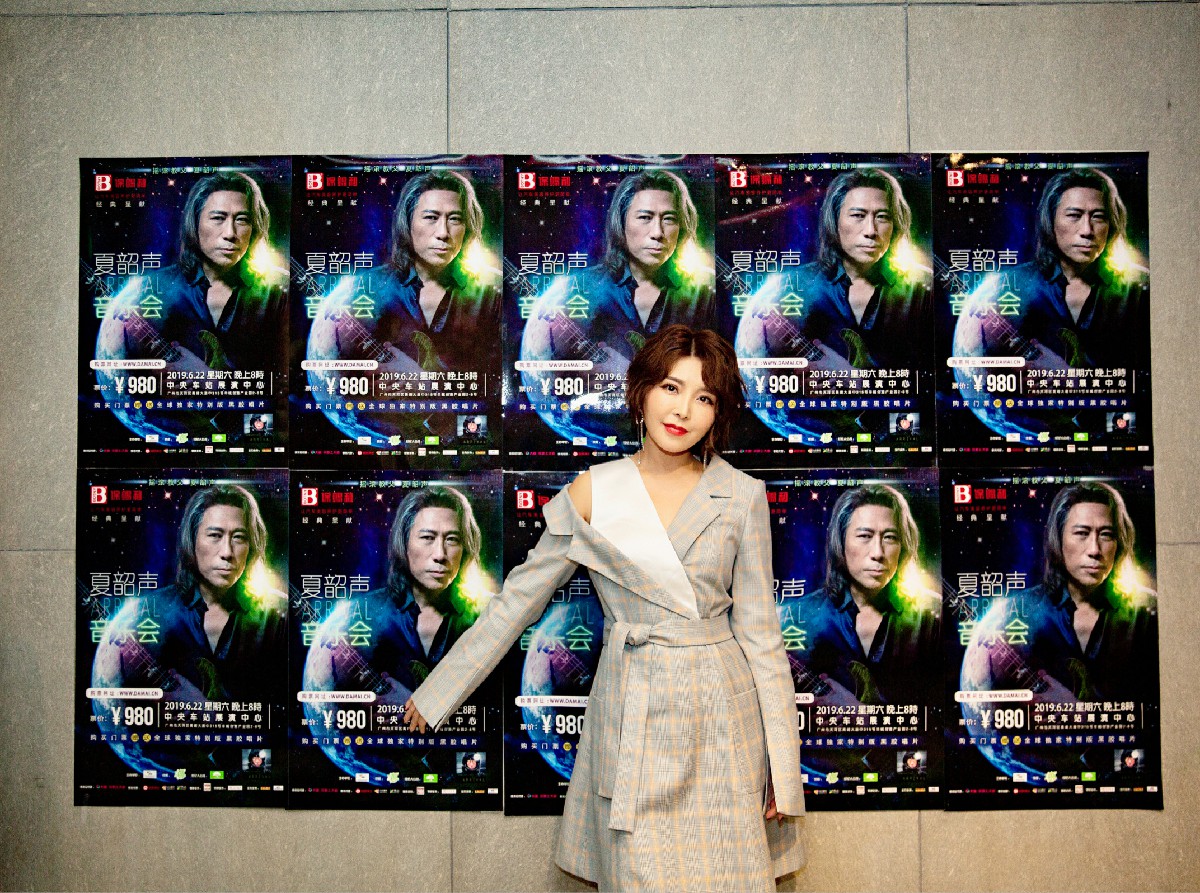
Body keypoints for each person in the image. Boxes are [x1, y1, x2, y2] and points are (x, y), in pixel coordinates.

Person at [405, 325, 804, 892]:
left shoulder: (741, 495)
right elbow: (517, 602)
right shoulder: (597, 491)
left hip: (722, 720)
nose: (683, 410)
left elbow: (763, 640)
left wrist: (784, 771)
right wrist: (439, 691)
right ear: (641, 391)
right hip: (633, 716)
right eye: (671, 387)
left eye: (705, 397)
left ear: (719, 413)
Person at [976, 482, 1157, 703]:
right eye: (1081, 533)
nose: (1094, 550)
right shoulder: (1021, 609)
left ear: (1119, 542)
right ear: (1058, 539)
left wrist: (1077, 712)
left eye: (1106, 535)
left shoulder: (1147, 612)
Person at [955, 168, 1148, 369]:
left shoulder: (1139, 289)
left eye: (1098, 217)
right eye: (1074, 215)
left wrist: (1070, 378)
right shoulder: (1011, 284)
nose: (1087, 230)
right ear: (1051, 220)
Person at [740, 168, 931, 371]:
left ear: (896, 224)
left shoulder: (923, 287)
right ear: (835, 221)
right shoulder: (796, 284)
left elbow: (937, 379)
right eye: (858, 215)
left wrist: (857, 380)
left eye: (882, 217)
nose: (870, 231)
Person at [524, 169, 715, 368]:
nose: (657, 233)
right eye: (645, 217)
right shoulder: (585, 287)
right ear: (621, 222)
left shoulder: (705, 291)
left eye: (669, 219)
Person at [315, 484, 485, 705]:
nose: (440, 554)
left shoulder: (487, 615)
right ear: (404, 543)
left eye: (452, 539)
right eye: (427, 537)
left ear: (466, 548)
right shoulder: (364, 613)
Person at [115, 484, 285, 702]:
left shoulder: (278, 615)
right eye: (214, 535)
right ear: (192, 540)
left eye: (239, 537)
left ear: (251, 545)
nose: (227, 552)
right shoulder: (153, 609)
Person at [336, 169, 500, 375]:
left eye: (455, 219)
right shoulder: (370, 286)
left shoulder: (493, 291)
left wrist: (427, 384)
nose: (443, 233)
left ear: (467, 226)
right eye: (431, 217)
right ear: (407, 222)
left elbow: (497, 381)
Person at [792, 485, 939, 708]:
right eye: (864, 536)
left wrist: (867, 717)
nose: (878, 553)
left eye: (890, 537)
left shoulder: (933, 615)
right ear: (840, 541)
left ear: (903, 546)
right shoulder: (801, 616)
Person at [126, 172, 285, 375]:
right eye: (218, 218)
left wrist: (212, 381)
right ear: (195, 223)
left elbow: (284, 383)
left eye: (242, 220)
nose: (230, 233)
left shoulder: (279, 290)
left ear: (254, 227)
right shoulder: (156, 286)